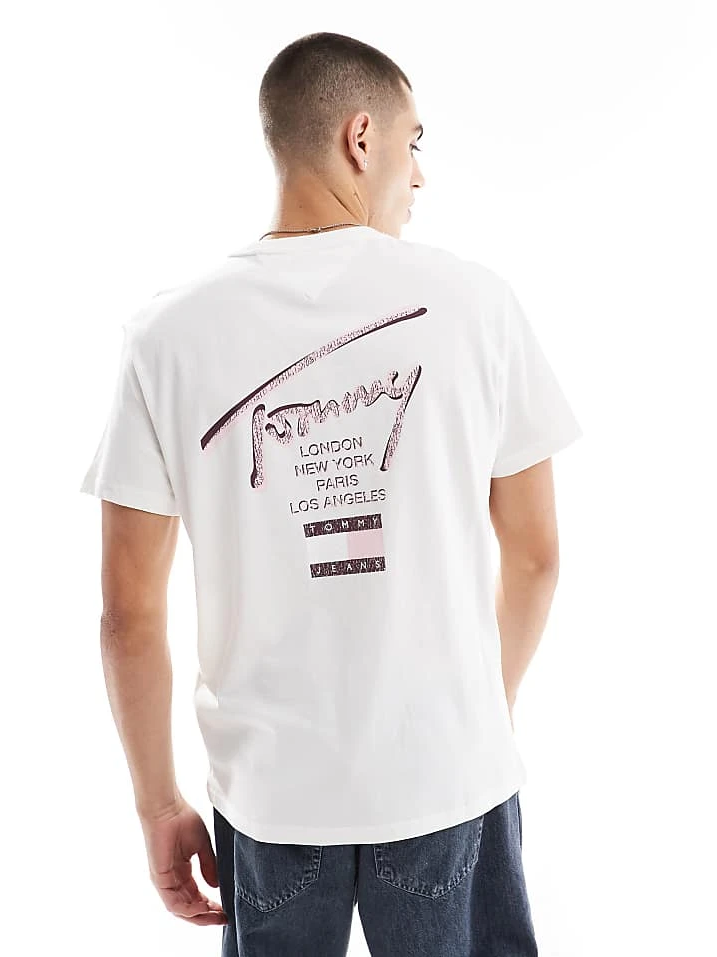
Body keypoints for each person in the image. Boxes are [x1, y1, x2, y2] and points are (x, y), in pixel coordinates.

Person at [80, 30, 582, 957]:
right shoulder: (477, 305)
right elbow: (537, 557)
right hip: (445, 775)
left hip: (273, 798)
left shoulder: (167, 335)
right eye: (413, 143)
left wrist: (156, 803)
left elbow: (128, 613)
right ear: (362, 138)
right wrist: (476, 708)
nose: (419, 175)